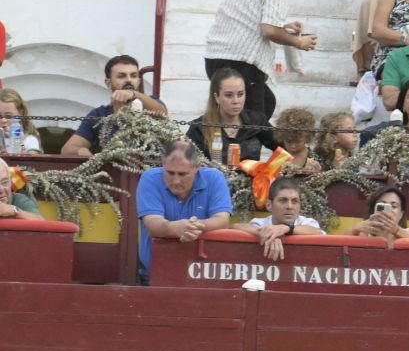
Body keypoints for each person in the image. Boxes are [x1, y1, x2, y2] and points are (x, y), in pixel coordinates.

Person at [205, 0, 316, 122]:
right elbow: (269, 30)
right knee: (252, 125)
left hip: (215, 58)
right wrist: (299, 43)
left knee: (264, 105)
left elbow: (250, 17)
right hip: (242, 63)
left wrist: (286, 27)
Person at [136, 141, 234, 277]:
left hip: (204, 273)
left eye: (182, 174)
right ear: (163, 164)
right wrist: (174, 228)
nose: (175, 180)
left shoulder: (214, 178)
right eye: (170, 173)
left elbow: (223, 221)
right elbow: (153, 224)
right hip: (155, 272)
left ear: (197, 167)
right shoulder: (150, 179)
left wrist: (192, 227)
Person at [60, 56, 172, 157]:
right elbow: (68, 149)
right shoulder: (99, 114)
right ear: (108, 83)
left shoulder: (151, 103)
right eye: (121, 76)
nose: (129, 80)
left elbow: (162, 113)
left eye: (133, 76)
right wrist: (82, 152)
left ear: (138, 81)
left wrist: (134, 94)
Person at [241, 176, 323, 262]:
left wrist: (286, 228)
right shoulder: (261, 223)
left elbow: (317, 232)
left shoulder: (306, 222)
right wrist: (270, 235)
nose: (290, 206)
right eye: (283, 200)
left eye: (294, 201)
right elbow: (236, 226)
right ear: (269, 205)